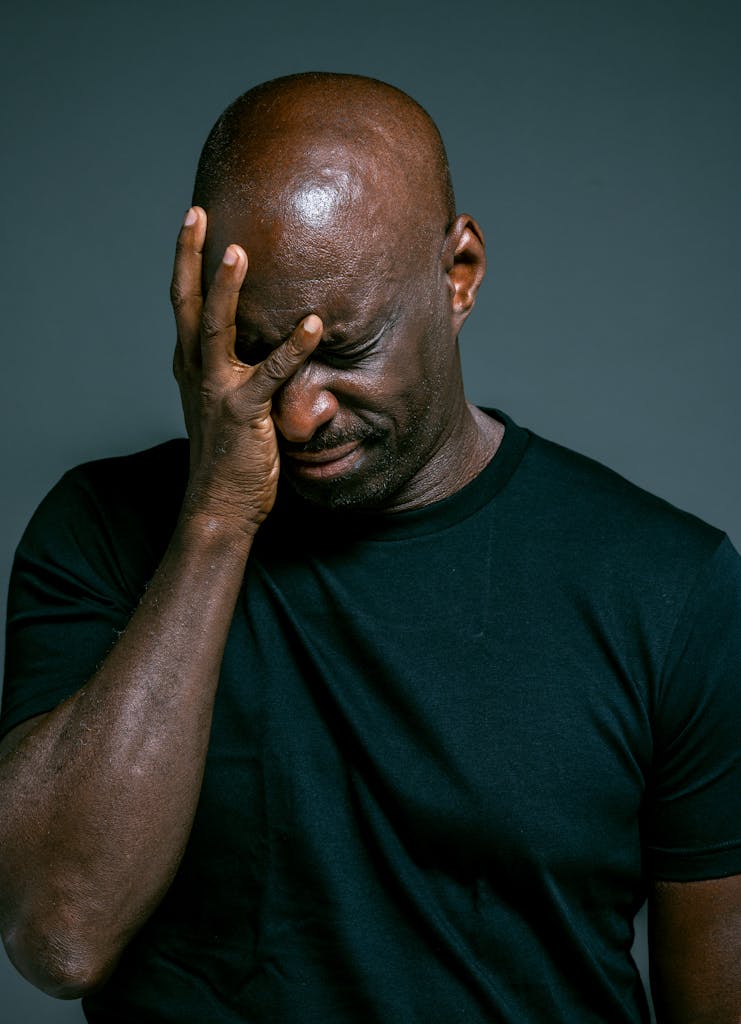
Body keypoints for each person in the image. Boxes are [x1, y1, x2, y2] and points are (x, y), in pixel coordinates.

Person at [0, 72, 739, 1024]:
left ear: (458, 274)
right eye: (256, 352)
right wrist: (217, 519)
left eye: (344, 351)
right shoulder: (102, 532)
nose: (299, 414)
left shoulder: (669, 588)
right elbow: (58, 935)